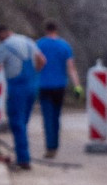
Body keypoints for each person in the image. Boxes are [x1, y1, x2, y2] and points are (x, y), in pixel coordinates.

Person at [0, 25, 46, 170]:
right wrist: (34, 76)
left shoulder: (5, 46)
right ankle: (22, 155)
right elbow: (42, 61)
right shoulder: (28, 41)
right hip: (32, 87)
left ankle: (23, 159)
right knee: (23, 122)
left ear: (2, 34)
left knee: (17, 123)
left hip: (17, 88)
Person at [35, 21, 82, 159]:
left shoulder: (39, 44)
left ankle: (50, 147)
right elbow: (71, 68)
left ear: (45, 30)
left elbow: (35, 64)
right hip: (60, 86)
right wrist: (77, 86)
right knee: (56, 116)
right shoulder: (64, 46)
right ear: (57, 30)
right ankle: (55, 145)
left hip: (44, 86)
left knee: (47, 117)